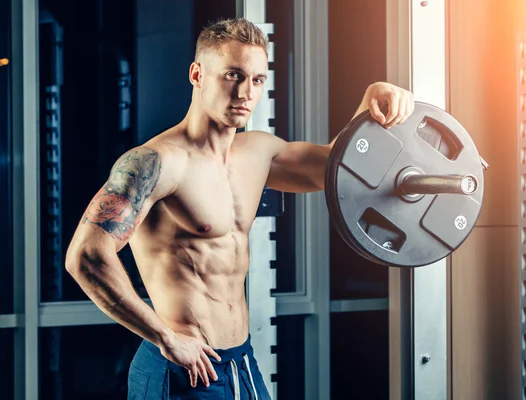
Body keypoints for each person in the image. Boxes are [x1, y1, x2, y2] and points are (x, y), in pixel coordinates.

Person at [65, 17, 415, 399]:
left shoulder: (258, 152)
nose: (246, 92)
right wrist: (165, 337)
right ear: (197, 74)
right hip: (183, 371)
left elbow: (336, 167)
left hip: (241, 363)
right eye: (233, 75)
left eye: (257, 79)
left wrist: (370, 104)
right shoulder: (157, 162)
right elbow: (86, 256)